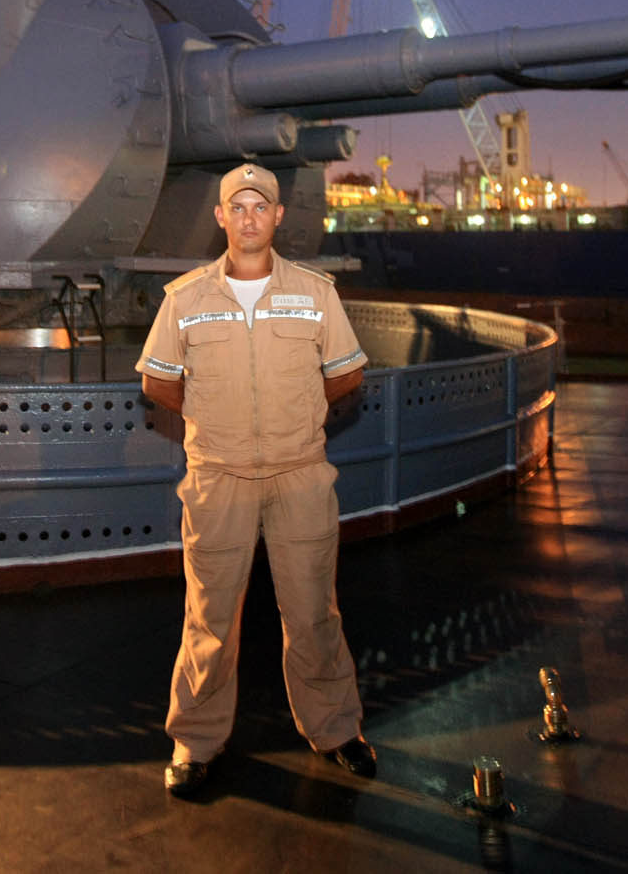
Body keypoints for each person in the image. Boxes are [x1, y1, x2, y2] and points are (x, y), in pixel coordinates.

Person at [136, 162, 373, 798]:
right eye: (236, 207)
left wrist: (300, 414)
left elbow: (347, 372)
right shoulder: (184, 299)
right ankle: (195, 740)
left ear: (276, 217)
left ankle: (335, 728)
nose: (248, 218)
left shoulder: (315, 292)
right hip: (218, 478)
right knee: (208, 618)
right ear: (221, 218)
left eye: (259, 207)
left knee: (313, 613)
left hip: (301, 476)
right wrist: (218, 418)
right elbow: (158, 380)